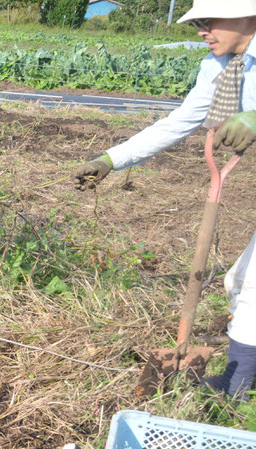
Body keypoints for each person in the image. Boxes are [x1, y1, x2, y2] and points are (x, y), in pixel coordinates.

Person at [72, 0, 256, 400]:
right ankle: (241, 380)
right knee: (240, 281)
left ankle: (237, 390)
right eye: (198, 23)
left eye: (209, 21)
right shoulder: (218, 66)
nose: (201, 30)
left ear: (247, 15)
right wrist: (111, 159)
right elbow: (180, 121)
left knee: (252, 284)